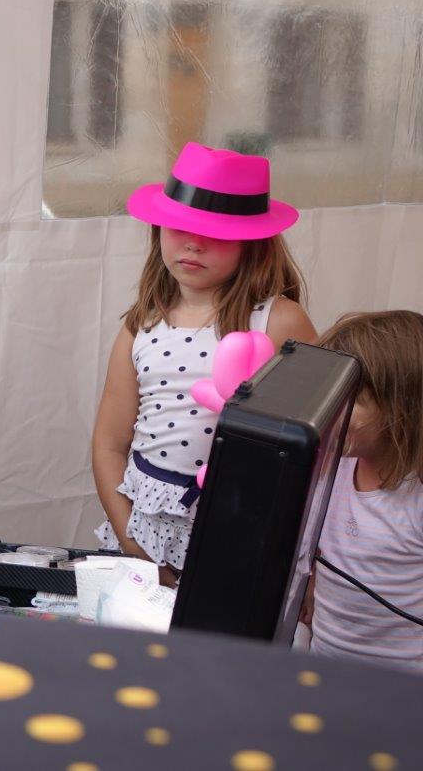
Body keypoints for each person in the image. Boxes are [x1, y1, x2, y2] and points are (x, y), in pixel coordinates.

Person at [92, 143, 317, 586]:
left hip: (243, 535)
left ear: (252, 241)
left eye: (216, 231)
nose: (193, 243)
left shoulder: (279, 320)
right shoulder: (141, 327)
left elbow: (314, 448)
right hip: (146, 537)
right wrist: (134, 545)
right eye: (179, 226)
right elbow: (109, 444)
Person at [308, 311, 423, 678]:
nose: (328, 409)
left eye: (351, 399)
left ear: (406, 409)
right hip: (326, 676)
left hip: (408, 700)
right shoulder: (337, 470)